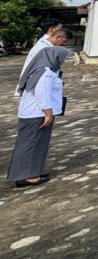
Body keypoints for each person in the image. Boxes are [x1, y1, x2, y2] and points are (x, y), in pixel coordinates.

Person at [7, 32, 72, 188]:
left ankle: (30, 172)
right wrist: (48, 113)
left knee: (34, 143)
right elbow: (42, 93)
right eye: (62, 58)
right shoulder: (45, 72)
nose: (62, 61)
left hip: (34, 112)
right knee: (32, 144)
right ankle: (27, 176)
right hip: (37, 113)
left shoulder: (43, 69)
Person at [15, 19, 63, 96]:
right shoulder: (43, 46)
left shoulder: (47, 44)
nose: (62, 32)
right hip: (36, 86)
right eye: (60, 29)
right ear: (52, 29)